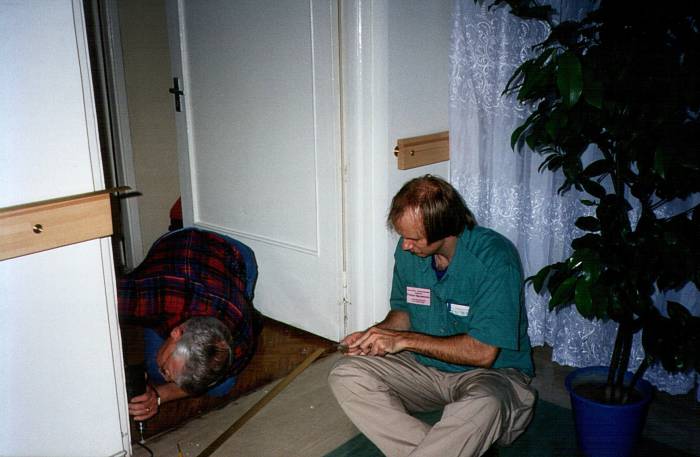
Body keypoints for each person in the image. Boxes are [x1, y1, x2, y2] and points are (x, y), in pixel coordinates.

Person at [328, 175, 536, 457]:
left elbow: (482, 353)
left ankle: (460, 442)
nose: (405, 245)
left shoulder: (496, 258)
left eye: (413, 238)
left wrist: (404, 341)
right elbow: (403, 312)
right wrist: (377, 334)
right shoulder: (409, 252)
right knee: (346, 374)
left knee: (484, 405)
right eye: (402, 236)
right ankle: (462, 446)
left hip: (491, 375)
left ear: (446, 230)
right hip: (425, 370)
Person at [118, 228, 259, 421]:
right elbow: (94, 301)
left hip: (233, 261)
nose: (168, 380)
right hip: (177, 245)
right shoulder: (148, 294)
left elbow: (193, 381)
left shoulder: (240, 340)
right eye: (169, 371)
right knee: (154, 370)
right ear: (176, 332)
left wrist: (159, 396)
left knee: (221, 385)